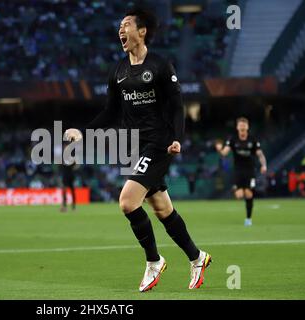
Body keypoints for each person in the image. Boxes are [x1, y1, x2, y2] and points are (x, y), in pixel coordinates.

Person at [64, 8, 211, 292]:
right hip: (134, 146)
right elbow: (110, 112)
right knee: (161, 208)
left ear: (141, 31)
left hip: (159, 143)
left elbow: (178, 105)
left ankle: (153, 261)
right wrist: (83, 131)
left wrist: (177, 138)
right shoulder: (118, 71)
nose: (121, 30)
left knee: (127, 202)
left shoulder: (160, 65)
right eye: (119, 25)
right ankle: (197, 257)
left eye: (126, 24)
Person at [215, 117, 267, 226]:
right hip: (238, 170)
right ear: (237, 127)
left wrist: (263, 165)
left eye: (244, 125)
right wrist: (220, 149)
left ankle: (248, 219)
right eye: (240, 125)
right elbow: (225, 153)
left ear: (247, 127)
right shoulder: (233, 139)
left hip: (250, 170)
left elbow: (260, 154)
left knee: (248, 194)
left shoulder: (253, 140)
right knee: (239, 195)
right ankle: (239, 190)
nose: (242, 127)